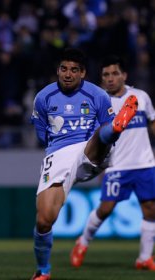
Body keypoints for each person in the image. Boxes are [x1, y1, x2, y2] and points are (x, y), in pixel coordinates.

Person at [30, 48, 138, 280]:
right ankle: (43, 271)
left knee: (104, 132)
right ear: (58, 70)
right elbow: (41, 135)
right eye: (64, 69)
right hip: (58, 154)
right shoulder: (43, 97)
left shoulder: (97, 95)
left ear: (83, 73)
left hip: (90, 147)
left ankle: (117, 129)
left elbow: (105, 122)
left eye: (74, 70)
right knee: (44, 220)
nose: (68, 74)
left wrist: (110, 131)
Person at [70, 55, 155, 270]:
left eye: (114, 73)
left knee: (151, 208)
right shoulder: (100, 103)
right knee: (106, 208)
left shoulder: (141, 97)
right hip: (117, 165)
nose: (110, 78)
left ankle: (144, 258)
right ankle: (83, 242)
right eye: (105, 75)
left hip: (145, 164)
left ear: (124, 75)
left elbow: (152, 122)